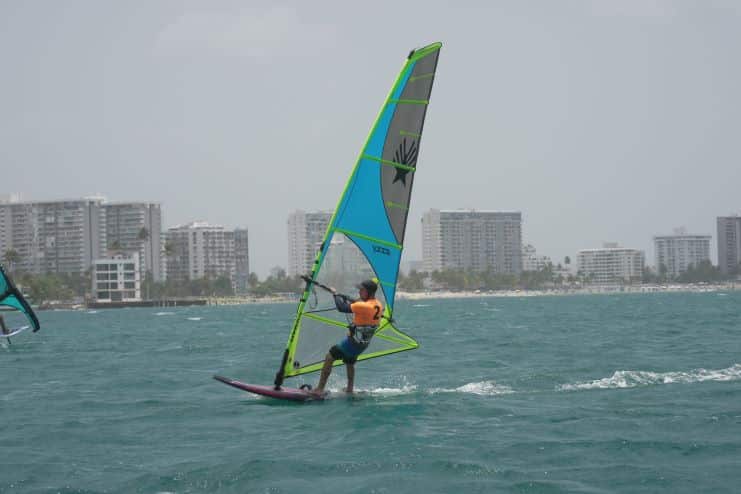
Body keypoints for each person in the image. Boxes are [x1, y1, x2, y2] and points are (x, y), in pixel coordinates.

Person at [312, 279, 383, 395]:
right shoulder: (378, 304)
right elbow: (357, 303)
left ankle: (319, 389)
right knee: (349, 361)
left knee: (330, 357)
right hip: (363, 344)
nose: (359, 292)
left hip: (353, 342)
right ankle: (350, 389)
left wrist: (335, 294)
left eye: (362, 290)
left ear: (369, 292)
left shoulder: (363, 306)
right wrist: (346, 297)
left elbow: (341, 307)